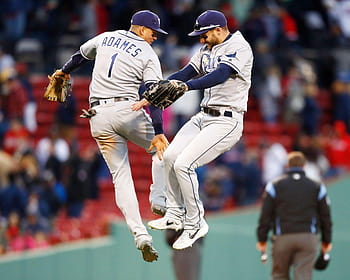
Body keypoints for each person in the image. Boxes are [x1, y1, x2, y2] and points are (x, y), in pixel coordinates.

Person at [51, 10, 169, 262]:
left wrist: (63, 71)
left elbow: (80, 55)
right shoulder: (148, 54)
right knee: (164, 151)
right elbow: (155, 95)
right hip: (128, 110)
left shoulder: (107, 37)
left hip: (98, 116)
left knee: (120, 177)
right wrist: (158, 130)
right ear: (139, 28)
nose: (155, 37)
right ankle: (158, 198)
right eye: (153, 32)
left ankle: (140, 235)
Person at [133, 10, 253, 250]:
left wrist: (185, 87)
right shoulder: (207, 49)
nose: (201, 39)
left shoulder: (240, 46)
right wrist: (162, 87)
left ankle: (196, 223)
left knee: (183, 164)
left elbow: (220, 75)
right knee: (168, 156)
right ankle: (175, 214)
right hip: (204, 115)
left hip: (226, 120)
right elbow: (187, 72)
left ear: (219, 29)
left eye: (204, 34)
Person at [256, 151, 332, 280]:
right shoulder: (317, 186)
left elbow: (266, 215)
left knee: (279, 276)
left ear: (288, 166)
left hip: (282, 237)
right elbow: (325, 216)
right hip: (308, 237)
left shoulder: (274, 185)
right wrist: (326, 241)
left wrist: (262, 239)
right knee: (303, 276)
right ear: (304, 166)